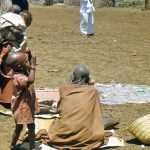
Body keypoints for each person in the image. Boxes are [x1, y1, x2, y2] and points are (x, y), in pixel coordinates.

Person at [47, 64, 108, 149]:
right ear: (87, 78)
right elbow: (96, 116)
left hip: (62, 134)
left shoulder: (63, 89)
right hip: (87, 137)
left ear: (73, 77)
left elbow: (60, 109)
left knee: (55, 123)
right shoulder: (93, 92)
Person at [5, 52, 37, 150]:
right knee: (31, 127)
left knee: (18, 128)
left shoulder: (18, 72)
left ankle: (12, 146)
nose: (29, 62)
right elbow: (30, 80)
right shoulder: (19, 77)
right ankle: (32, 148)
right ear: (20, 66)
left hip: (21, 106)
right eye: (26, 61)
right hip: (24, 107)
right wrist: (33, 66)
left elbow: (28, 71)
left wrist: (29, 58)